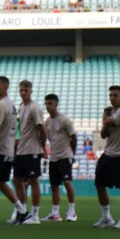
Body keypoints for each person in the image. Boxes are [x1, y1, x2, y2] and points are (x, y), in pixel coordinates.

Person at [0, 77, 31, 226]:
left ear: (5, 87)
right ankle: (22, 211)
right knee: (1, 183)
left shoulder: (1, 105)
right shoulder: (12, 105)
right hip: (9, 150)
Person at [92, 86, 120, 229]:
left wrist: (111, 120)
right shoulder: (108, 112)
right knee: (99, 185)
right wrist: (106, 123)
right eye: (110, 95)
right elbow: (104, 135)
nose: (112, 98)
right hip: (108, 153)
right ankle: (106, 217)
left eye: (115, 95)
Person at [11, 80, 47, 224]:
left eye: (26, 90)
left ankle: (35, 215)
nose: (23, 93)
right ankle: (22, 211)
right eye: (21, 90)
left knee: (33, 181)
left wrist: (42, 148)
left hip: (33, 150)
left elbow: (42, 130)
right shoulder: (21, 107)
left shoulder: (35, 108)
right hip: (22, 150)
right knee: (17, 180)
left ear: (31, 91)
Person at [43, 94, 77, 222]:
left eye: (50, 103)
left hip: (65, 156)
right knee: (54, 186)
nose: (47, 106)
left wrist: (71, 154)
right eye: (46, 103)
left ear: (56, 104)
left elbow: (73, 137)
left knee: (67, 182)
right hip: (54, 158)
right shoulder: (47, 122)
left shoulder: (64, 120)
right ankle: (55, 213)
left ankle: (72, 211)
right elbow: (45, 139)